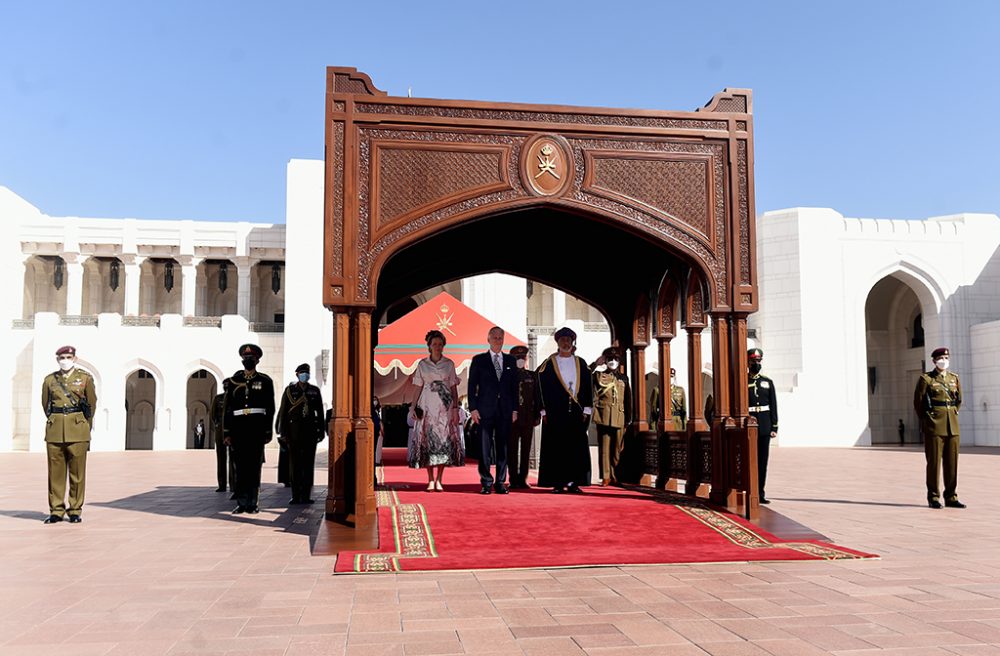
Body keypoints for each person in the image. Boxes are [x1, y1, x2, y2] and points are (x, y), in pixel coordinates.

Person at [41, 345, 97, 524]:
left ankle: (75, 510)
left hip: (77, 428)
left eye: (68, 357)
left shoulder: (85, 378)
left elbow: (91, 404)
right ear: (57, 359)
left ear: (75, 358)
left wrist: (83, 425)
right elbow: (46, 404)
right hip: (55, 430)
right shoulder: (50, 380)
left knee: (77, 473)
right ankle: (56, 510)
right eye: (61, 358)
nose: (65, 360)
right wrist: (55, 420)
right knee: (55, 474)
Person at [536, 327, 593, 493]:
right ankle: (558, 483)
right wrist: (543, 411)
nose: (565, 343)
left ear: (572, 342)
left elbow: (588, 386)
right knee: (557, 448)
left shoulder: (581, 363)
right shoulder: (548, 364)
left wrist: (587, 409)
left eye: (568, 340)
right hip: (555, 413)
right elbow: (540, 387)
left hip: (576, 412)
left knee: (575, 448)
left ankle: (574, 483)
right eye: (562, 340)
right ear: (558, 342)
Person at [406, 330, 464, 491]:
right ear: (429, 346)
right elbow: (417, 387)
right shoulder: (422, 364)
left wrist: (454, 408)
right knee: (428, 441)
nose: (437, 347)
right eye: (434, 344)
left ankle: (439, 479)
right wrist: (413, 406)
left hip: (444, 407)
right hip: (427, 406)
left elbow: (453, 388)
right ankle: (430, 479)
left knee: (442, 443)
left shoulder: (449, 364)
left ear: (443, 346)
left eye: (440, 344)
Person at [222, 343, 275, 514]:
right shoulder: (233, 381)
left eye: (251, 358)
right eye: (245, 358)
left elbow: (270, 407)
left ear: (257, 360)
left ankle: (253, 503)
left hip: (256, 430)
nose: (248, 360)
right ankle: (241, 502)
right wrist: (227, 432)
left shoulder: (265, 381)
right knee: (240, 467)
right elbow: (228, 409)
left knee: (254, 467)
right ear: (241, 359)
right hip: (238, 430)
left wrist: (268, 430)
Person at [467, 326, 519, 494]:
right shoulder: (479, 360)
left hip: (505, 410)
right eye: (494, 337)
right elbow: (471, 386)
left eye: (500, 338)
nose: (497, 340)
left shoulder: (511, 361)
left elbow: (514, 388)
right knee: (484, 447)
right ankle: (486, 482)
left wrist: (515, 409)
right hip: (484, 410)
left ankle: (501, 482)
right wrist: (473, 408)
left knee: (503, 447)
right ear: (488, 339)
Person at [914, 347, 965, 509]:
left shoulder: (954, 378)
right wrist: (928, 420)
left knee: (952, 463)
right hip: (934, 425)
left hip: (952, 426)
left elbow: (958, 400)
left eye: (946, 357)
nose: (944, 360)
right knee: (934, 463)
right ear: (934, 360)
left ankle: (951, 496)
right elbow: (919, 403)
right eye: (941, 357)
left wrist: (953, 413)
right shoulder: (926, 379)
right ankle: (933, 497)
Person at [275, 363, 325, 504]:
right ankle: (296, 495)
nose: (305, 375)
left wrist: (321, 431)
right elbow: (284, 411)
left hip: (310, 432)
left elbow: (320, 413)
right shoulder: (290, 391)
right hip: (293, 433)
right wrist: (283, 432)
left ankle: (306, 495)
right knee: (295, 464)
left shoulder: (314, 391)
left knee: (308, 465)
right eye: (302, 372)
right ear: (297, 374)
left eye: (307, 373)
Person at [591, 347, 631, 486]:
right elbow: (585, 375)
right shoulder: (598, 376)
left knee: (617, 449)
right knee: (604, 448)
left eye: (615, 359)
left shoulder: (624, 378)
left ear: (619, 361)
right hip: (603, 415)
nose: (613, 362)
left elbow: (628, 399)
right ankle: (606, 477)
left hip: (620, 416)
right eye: (610, 359)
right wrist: (596, 364)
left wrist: (628, 419)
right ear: (606, 361)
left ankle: (616, 475)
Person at [747, 348, 778, 504]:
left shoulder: (767, 381)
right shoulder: (744, 381)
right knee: (750, 460)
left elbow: (773, 405)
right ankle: (749, 491)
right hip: (749, 425)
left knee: (762, 461)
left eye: (759, 361)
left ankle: (760, 492)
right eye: (754, 361)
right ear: (748, 362)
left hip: (765, 426)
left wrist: (774, 427)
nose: (757, 364)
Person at [509, 345, 541, 489]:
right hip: (512, 419)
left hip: (528, 417)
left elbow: (537, 397)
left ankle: (523, 478)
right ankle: (513, 479)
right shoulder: (507, 376)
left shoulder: (532, 376)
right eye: (518, 358)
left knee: (526, 450)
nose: (521, 360)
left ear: (527, 359)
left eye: (523, 358)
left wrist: (538, 415)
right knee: (512, 450)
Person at [211, 378, 237, 495]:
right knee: (221, 458)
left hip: (232, 431)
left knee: (233, 459)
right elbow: (213, 414)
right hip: (220, 431)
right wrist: (218, 425)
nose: (226, 387)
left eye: (228, 385)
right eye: (224, 385)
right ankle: (221, 485)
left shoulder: (235, 398)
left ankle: (233, 485)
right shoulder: (218, 398)